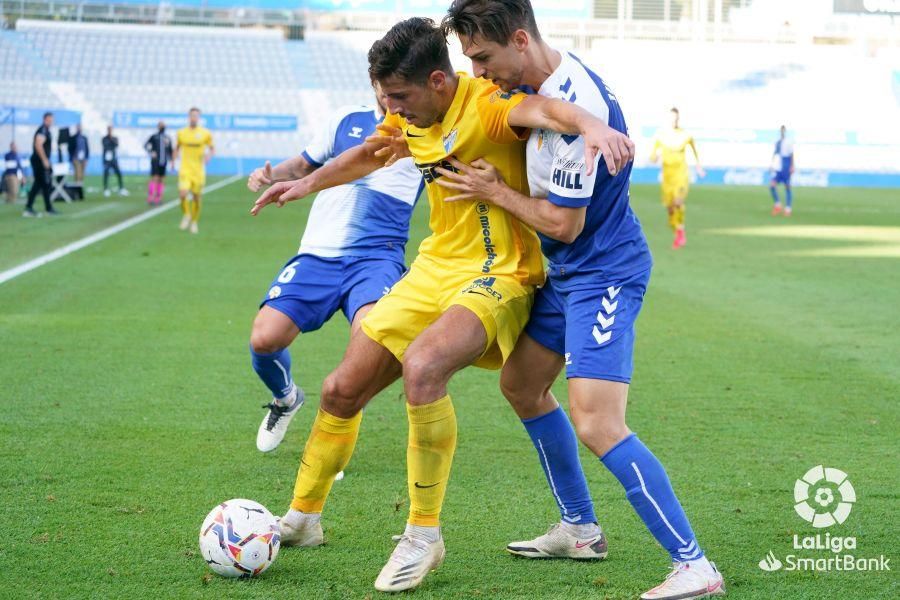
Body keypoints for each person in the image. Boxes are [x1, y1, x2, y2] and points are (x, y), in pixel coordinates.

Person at [252, 17, 632, 593]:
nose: (393, 109)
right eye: (385, 98)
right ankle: (304, 518)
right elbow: (374, 154)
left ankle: (422, 535)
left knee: (425, 367)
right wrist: (307, 184)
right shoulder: (407, 113)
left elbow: (550, 111)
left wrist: (593, 127)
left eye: (400, 97)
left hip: (501, 272)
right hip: (433, 269)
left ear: (437, 81)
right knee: (339, 389)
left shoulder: (487, 104)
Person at [438, 2, 724, 599]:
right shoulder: (544, 87)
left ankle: (694, 564)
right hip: (567, 273)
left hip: (604, 272)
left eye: (484, 58)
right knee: (521, 385)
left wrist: (493, 191)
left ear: (520, 40)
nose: (480, 72)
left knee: (598, 421)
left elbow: (563, 225)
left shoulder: (577, 106)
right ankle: (580, 527)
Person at [247, 87, 422, 454]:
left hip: (376, 258)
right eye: (384, 84)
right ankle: (286, 398)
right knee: (264, 339)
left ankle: (330, 446)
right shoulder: (346, 119)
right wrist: (270, 174)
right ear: (374, 82)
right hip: (317, 256)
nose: (390, 95)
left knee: (370, 345)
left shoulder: (423, 127)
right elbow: (303, 165)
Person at [649, 107, 704, 249]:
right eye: (672, 118)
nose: (674, 121)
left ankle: (680, 233)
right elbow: (653, 156)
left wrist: (698, 166)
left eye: (676, 118)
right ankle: (677, 228)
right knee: (670, 208)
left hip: (681, 174)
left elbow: (695, 150)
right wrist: (655, 157)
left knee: (678, 202)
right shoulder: (660, 136)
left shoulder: (685, 135)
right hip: (667, 176)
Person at [174, 108, 214, 234]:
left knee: (197, 198)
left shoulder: (205, 133)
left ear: (199, 118)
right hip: (185, 169)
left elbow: (212, 148)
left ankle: (194, 221)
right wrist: (173, 160)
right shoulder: (181, 133)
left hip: (198, 171)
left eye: (196, 116)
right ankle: (187, 214)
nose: (194, 118)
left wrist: (208, 155)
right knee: (182, 194)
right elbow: (177, 147)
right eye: (192, 116)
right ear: (189, 117)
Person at [24, 112, 58, 217]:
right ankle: (37, 208)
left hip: (40, 160)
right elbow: (38, 145)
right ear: (44, 119)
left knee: (42, 184)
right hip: (38, 161)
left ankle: (44, 207)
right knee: (42, 184)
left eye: (51, 119)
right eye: (49, 119)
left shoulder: (47, 130)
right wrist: (44, 160)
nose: (51, 121)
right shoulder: (42, 130)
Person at [144, 121, 173, 206]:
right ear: (158, 127)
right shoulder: (154, 137)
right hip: (155, 161)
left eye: (163, 125)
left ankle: (159, 198)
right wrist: (151, 152)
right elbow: (146, 145)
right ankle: (151, 197)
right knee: (155, 178)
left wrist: (171, 159)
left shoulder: (167, 138)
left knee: (161, 179)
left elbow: (170, 150)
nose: (162, 127)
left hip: (164, 161)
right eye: (161, 125)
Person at [770, 125, 794, 216]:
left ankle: (788, 208)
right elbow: (775, 153)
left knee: (787, 187)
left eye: (783, 131)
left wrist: (792, 166)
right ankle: (778, 205)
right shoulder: (777, 142)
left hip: (786, 166)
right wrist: (772, 164)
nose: (782, 132)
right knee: (772, 186)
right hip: (778, 167)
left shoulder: (788, 142)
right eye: (781, 131)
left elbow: (792, 154)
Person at [102, 126, 128, 198]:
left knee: (119, 173)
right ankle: (106, 189)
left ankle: (121, 188)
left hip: (113, 159)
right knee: (106, 173)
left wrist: (111, 139)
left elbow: (116, 145)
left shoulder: (114, 138)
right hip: (107, 159)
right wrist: (109, 140)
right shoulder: (104, 138)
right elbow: (105, 145)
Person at [68, 123, 89, 199]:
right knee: (78, 174)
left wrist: (86, 158)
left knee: (82, 175)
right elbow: (70, 148)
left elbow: (87, 148)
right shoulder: (73, 138)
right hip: (75, 158)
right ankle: (76, 191)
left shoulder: (84, 138)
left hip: (83, 159)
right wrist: (72, 157)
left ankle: (80, 190)